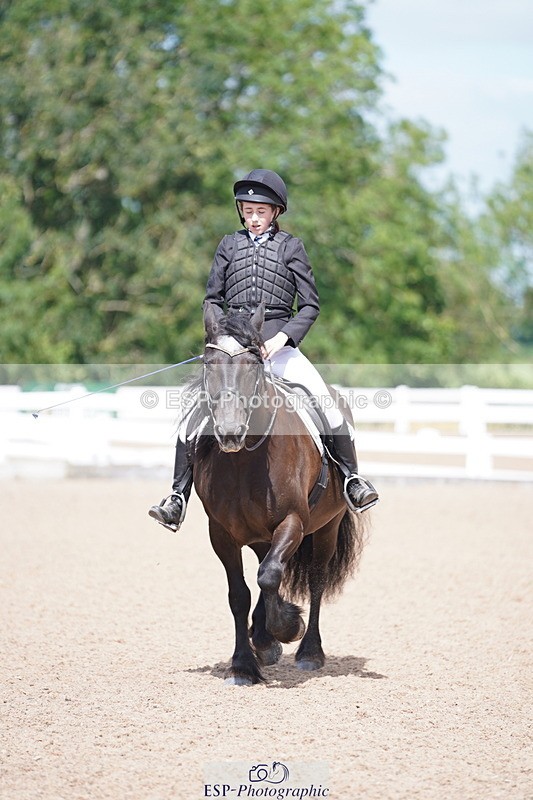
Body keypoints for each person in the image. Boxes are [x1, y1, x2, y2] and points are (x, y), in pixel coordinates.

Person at [149, 169, 378, 531]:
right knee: (192, 415)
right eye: (248, 211)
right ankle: (177, 496)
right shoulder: (228, 245)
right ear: (241, 211)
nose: (254, 218)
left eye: (261, 212)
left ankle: (352, 480)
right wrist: (219, 341)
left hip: (277, 346)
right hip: (233, 351)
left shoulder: (292, 248)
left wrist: (281, 339)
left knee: (326, 403)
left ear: (275, 213)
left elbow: (310, 307)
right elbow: (212, 300)